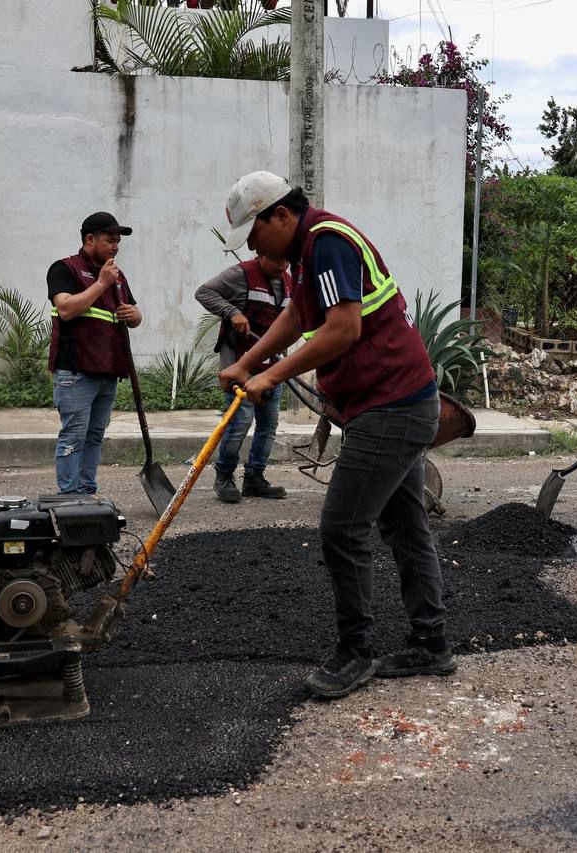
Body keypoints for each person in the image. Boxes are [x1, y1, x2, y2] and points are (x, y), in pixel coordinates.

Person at [215, 170, 451, 699]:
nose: (252, 248)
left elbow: (344, 328)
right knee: (405, 526)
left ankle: (355, 652)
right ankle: (430, 642)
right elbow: (298, 315)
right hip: (396, 402)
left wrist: (271, 376)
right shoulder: (308, 252)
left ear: (280, 215)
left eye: (254, 234)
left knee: (343, 528)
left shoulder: (328, 242)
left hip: (391, 406)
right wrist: (249, 363)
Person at [46, 212, 143, 495]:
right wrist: (101, 283)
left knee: (94, 436)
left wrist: (135, 315)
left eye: (118, 242)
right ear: (90, 239)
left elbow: (134, 316)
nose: (115, 247)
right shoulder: (65, 269)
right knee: (74, 436)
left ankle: (87, 493)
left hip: (107, 371)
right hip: (75, 371)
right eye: (109, 240)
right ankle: (69, 497)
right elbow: (66, 309)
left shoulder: (117, 277)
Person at [195, 254, 292, 502]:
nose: (282, 266)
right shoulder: (241, 274)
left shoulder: (290, 283)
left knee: (268, 424)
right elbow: (203, 292)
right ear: (262, 254)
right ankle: (224, 476)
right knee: (240, 421)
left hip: (271, 368)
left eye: (286, 262)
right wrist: (232, 312)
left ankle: (254, 478)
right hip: (239, 365)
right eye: (277, 261)